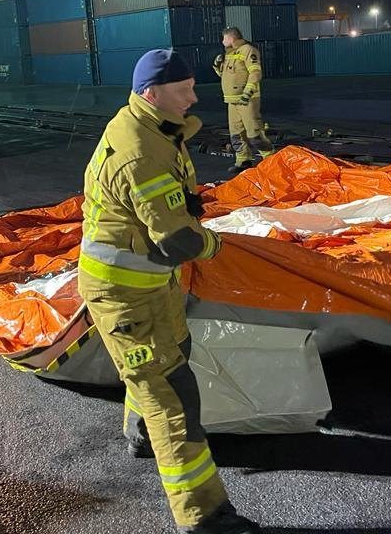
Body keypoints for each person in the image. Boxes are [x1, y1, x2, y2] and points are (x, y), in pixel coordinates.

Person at [78, 49, 260, 534]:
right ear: (151, 93)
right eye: (184, 92)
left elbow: (165, 206)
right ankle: (203, 516)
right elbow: (177, 239)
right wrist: (217, 243)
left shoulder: (154, 126)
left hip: (149, 283)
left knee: (173, 354)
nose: (195, 98)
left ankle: (139, 434)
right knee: (173, 399)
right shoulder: (139, 148)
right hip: (123, 294)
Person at [212, 27, 273, 173]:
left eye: (224, 38)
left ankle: (270, 160)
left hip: (247, 100)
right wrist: (216, 66)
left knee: (254, 133)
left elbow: (255, 73)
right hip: (231, 100)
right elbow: (225, 75)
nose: (222, 41)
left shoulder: (248, 51)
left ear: (231, 38)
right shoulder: (229, 54)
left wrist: (247, 93)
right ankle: (243, 160)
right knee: (236, 133)